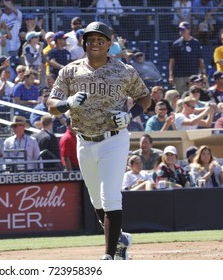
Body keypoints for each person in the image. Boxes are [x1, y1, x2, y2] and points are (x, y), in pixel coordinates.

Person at [46, 21, 151, 260]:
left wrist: (129, 115)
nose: (94, 43)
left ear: (109, 45)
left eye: (100, 40)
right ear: (84, 43)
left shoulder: (124, 70)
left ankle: (109, 256)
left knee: (110, 196)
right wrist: (67, 104)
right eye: (90, 39)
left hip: (113, 139)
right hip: (83, 140)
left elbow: (144, 98)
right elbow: (51, 104)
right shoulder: (70, 70)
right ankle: (121, 239)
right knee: (96, 200)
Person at [169, 21, 205, 95]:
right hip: (179, 76)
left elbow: (200, 59)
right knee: (181, 95)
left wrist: (202, 72)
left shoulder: (195, 43)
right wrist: (171, 75)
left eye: (183, 29)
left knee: (194, 95)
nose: (181, 31)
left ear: (189, 30)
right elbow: (172, 61)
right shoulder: (176, 44)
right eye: (180, 30)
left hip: (193, 75)